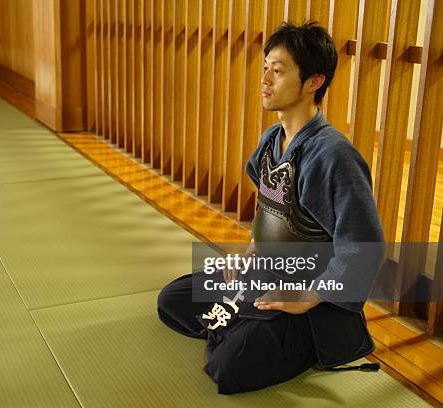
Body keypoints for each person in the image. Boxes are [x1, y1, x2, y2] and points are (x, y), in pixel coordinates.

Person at [157, 21, 385, 394]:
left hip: (311, 302)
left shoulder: (334, 156)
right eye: (265, 67)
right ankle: (244, 321)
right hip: (266, 275)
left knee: (229, 367)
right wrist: (248, 254)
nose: (264, 78)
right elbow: (271, 210)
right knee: (172, 299)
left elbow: (365, 246)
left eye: (277, 71)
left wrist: (308, 297)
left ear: (314, 81)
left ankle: (287, 337)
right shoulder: (272, 139)